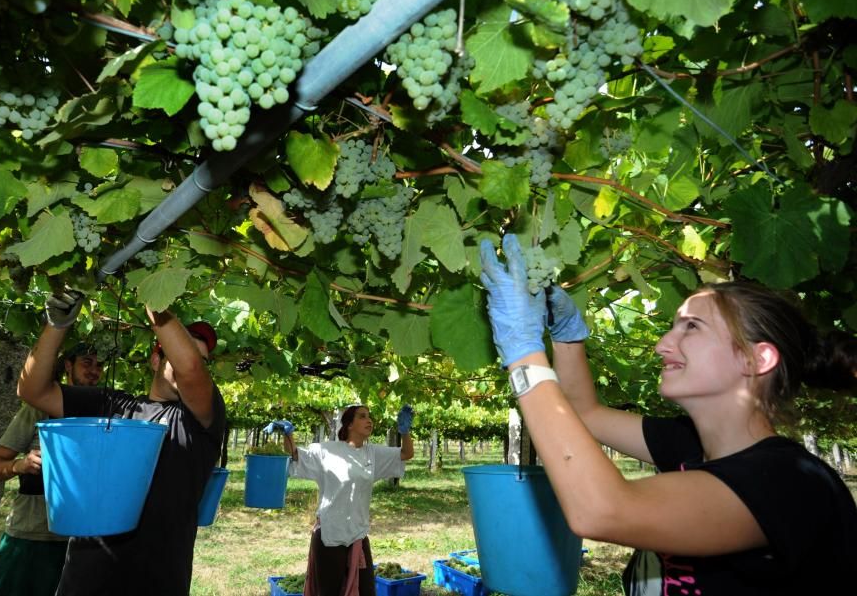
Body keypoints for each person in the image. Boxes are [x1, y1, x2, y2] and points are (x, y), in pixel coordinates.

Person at [480, 233, 857, 595]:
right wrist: (567, 336)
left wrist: (523, 354)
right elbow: (584, 413)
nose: (663, 345)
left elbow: (602, 511)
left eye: (691, 327)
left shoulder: (790, 483)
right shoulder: (688, 446)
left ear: (756, 358)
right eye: (673, 326)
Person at [17, 289, 226, 596]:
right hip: (84, 580)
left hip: (157, 583)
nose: (191, 365)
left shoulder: (203, 421)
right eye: (177, 356)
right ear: (156, 360)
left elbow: (191, 369)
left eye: (203, 361)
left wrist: (150, 288)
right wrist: (56, 325)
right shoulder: (111, 405)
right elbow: (32, 391)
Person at [0, 344, 103, 596]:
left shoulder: (106, 415)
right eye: (87, 362)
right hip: (31, 536)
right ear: (68, 365)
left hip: (82, 539)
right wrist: (19, 465)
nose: (94, 370)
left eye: (99, 365)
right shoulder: (37, 410)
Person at [267, 403, 414, 596]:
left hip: (357, 534)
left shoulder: (373, 453)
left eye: (369, 416)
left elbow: (406, 454)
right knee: (329, 591)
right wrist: (288, 434)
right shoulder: (327, 450)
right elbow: (295, 455)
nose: (369, 420)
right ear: (349, 424)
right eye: (362, 416)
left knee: (365, 591)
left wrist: (404, 431)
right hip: (330, 533)